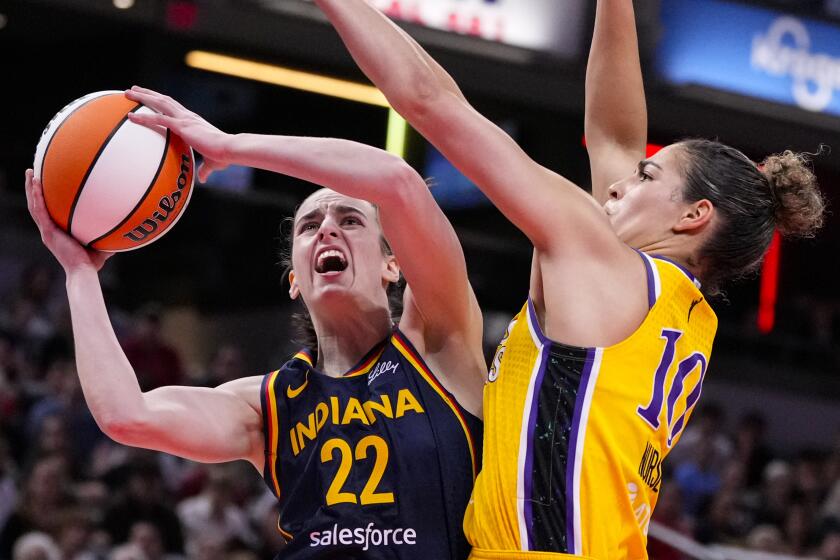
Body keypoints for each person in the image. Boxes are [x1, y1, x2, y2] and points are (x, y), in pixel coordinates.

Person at [310, 0, 825, 557]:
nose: (619, 184)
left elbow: (429, 101)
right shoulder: (677, 305)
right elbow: (613, 136)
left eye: (647, 176)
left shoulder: (598, 259)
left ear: (692, 216)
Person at [24, 84, 486, 559]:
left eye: (350, 220)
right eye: (309, 226)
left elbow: (395, 179)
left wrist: (229, 146)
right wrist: (79, 273)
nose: (327, 227)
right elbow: (126, 415)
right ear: (294, 281)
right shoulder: (268, 404)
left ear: (393, 265)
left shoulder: (436, 339)